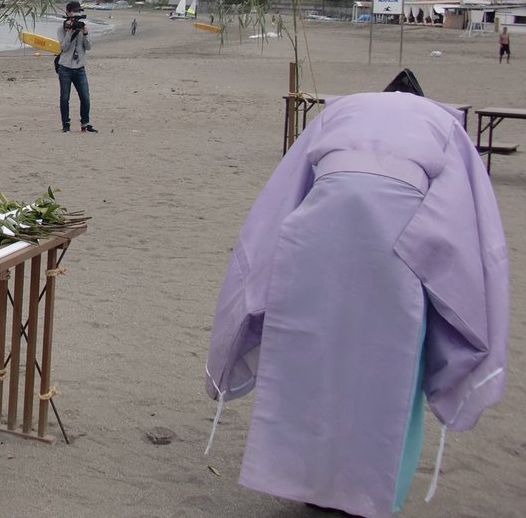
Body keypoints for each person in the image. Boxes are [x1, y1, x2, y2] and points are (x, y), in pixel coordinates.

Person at [205, 83, 508, 518]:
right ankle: (369, 494)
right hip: (400, 242)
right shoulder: (443, 123)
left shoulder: (340, 112)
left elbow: (284, 193)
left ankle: (307, 482)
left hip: (316, 240)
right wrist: (445, 276)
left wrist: (266, 273)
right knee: (390, 364)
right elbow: (463, 212)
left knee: (310, 357)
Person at [57, 0, 96, 133]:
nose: (77, 14)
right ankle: (66, 124)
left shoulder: (83, 27)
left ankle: (85, 123)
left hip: (80, 67)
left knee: (85, 97)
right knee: (64, 97)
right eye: (75, 11)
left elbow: (89, 47)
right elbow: (64, 47)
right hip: (65, 67)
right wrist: (69, 32)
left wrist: (84, 33)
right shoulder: (61, 28)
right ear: (68, 12)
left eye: (79, 11)